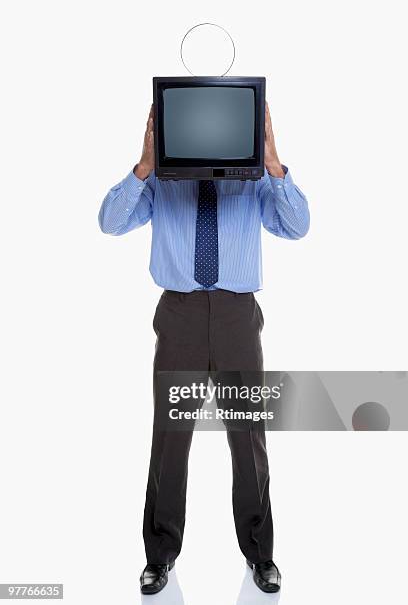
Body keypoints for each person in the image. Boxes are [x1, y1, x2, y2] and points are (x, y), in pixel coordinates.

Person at [98, 101, 310, 595]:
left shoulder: (254, 178)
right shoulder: (162, 179)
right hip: (180, 316)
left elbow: (298, 226)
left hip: (238, 316)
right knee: (171, 437)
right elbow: (110, 222)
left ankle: (261, 554)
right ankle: (159, 555)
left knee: (248, 437)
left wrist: (274, 163)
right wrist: (145, 165)